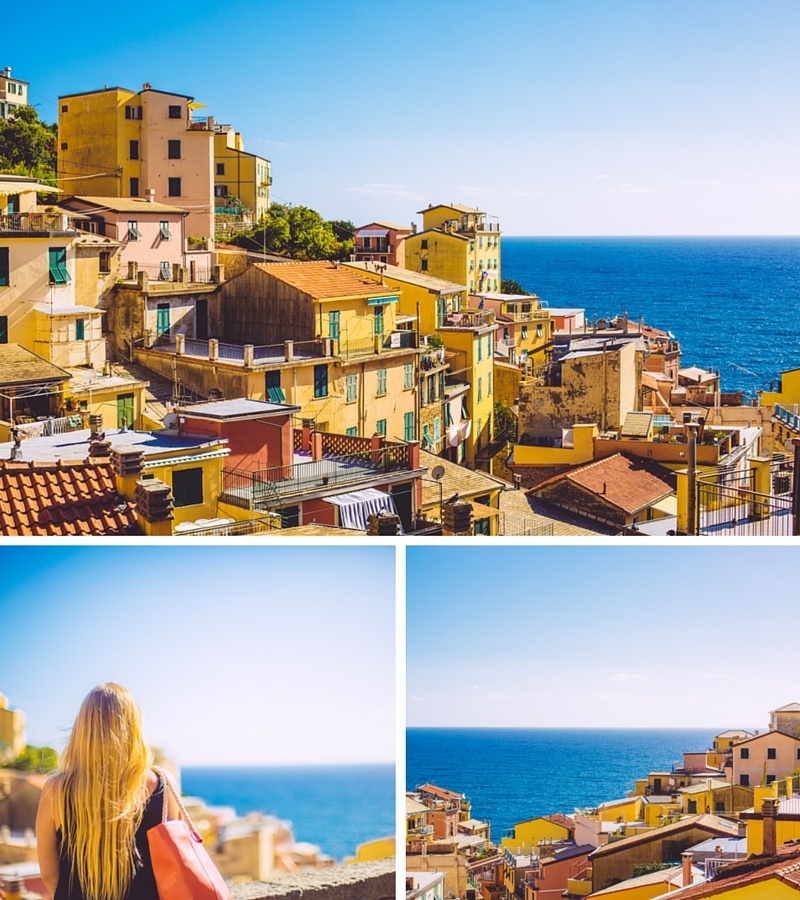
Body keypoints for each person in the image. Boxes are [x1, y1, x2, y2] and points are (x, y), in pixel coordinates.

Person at [36, 683, 181, 900]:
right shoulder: (163, 785)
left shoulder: (56, 790)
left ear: (83, 729)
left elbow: (49, 876)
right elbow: (178, 862)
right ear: (133, 727)